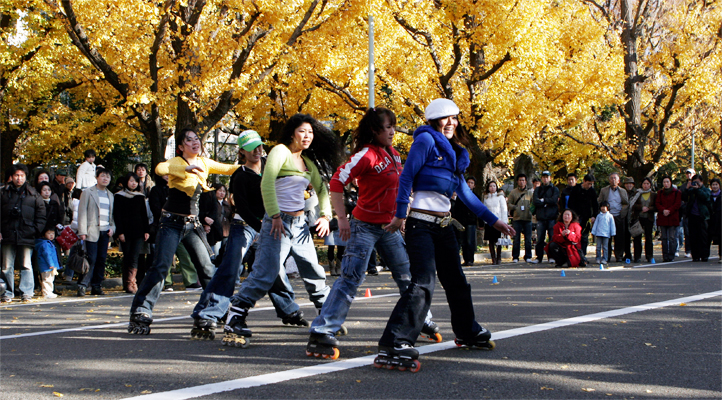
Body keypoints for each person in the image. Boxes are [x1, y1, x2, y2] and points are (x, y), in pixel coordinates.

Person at [374, 99, 515, 369]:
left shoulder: (453, 154)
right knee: (423, 282)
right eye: (445, 118)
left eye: (454, 118)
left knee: (457, 281)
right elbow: (407, 177)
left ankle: (467, 330)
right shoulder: (425, 141)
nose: (451, 123)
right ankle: (395, 340)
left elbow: (467, 195)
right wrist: (401, 213)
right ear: (434, 120)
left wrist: (495, 221)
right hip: (420, 224)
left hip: (443, 225)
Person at [307, 108, 440, 359]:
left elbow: (400, 189)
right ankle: (322, 330)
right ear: (374, 131)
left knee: (407, 276)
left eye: (393, 126)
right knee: (350, 278)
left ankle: (420, 319)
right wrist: (342, 219)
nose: (391, 131)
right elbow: (336, 181)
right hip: (363, 226)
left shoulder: (395, 156)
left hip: (389, 228)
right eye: (386, 127)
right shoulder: (366, 155)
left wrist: (400, 216)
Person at [220, 114, 343, 346]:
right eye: (302, 131)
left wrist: (326, 216)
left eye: (311, 132)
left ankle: (328, 316)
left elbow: (322, 189)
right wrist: (274, 215)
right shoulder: (280, 152)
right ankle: (235, 317)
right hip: (278, 224)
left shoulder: (307, 162)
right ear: (291, 133)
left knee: (313, 271)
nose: (307, 136)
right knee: (265, 273)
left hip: (300, 226)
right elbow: (267, 182)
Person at [190, 130, 302, 340]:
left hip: (269, 224)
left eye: (259, 147)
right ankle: (207, 313)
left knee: (273, 267)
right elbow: (242, 206)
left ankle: (288, 309)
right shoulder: (240, 176)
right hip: (245, 225)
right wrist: (261, 229)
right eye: (252, 149)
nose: (257, 152)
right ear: (242, 151)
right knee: (232, 267)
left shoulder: (272, 168)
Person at [127, 128, 239, 334]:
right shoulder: (176, 162)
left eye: (196, 139)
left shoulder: (205, 162)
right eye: (189, 140)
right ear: (180, 147)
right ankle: (141, 310)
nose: (195, 142)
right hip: (170, 223)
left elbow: (230, 168)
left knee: (206, 268)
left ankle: (213, 309)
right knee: (161, 267)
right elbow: (160, 169)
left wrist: (255, 163)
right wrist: (183, 171)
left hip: (193, 225)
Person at [0, 164, 46, 302]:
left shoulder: (33, 194)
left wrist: (35, 230)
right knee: (6, 266)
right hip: (7, 233)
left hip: (27, 234)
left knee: (26, 265)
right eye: (16, 175)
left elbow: (42, 215)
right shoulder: (3, 193)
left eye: (21, 175)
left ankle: (26, 292)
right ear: (12, 177)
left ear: (26, 177)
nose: (19, 178)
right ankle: (7, 292)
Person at [76, 167, 116, 296]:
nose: (105, 179)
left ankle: (96, 286)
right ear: (97, 177)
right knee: (91, 258)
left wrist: (112, 228)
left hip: (105, 231)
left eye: (107, 177)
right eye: (102, 176)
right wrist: (82, 231)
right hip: (91, 231)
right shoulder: (88, 192)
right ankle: (82, 284)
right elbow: (82, 212)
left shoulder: (110, 195)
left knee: (101, 259)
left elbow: (112, 216)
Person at [113, 172, 150, 294]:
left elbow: (144, 215)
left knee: (136, 256)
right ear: (126, 182)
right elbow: (117, 215)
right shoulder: (118, 196)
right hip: (125, 231)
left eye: (136, 181)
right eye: (131, 181)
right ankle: (128, 282)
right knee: (127, 256)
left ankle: (132, 283)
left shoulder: (140, 196)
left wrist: (146, 230)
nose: (133, 183)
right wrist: (120, 232)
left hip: (138, 231)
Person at [597, 172, 629, 262]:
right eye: (611, 178)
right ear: (609, 180)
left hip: (619, 215)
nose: (613, 180)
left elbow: (626, 203)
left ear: (618, 180)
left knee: (619, 237)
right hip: (607, 216)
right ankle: (607, 256)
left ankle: (619, 255)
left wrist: (622, 212)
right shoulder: (604, 190)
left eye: (615, 178)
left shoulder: (622, 191)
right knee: (607, 237)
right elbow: (599, 201)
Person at [531, 171, 559, 264]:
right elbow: (535, 201)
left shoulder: (554, 189)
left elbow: (554, 200)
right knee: (540, 239)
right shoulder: (538, 189)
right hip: (541, 217)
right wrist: (546, 202)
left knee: (552, 238)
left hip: (551, 217)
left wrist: (543, 200)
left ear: (550, 178)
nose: (545, 179)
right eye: (543, 177)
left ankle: (551, 256)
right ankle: (539, 257)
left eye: (547, 177)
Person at [567, 174, 599, 256]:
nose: (590, 185)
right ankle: (574, 254)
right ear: (584, 181)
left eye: (591, 184)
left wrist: (594, 216)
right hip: (576, 216)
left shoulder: (592, 191)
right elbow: (571, 203)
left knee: (584, 237)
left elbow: (595, 205)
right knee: (575, 236)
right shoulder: (576, 189)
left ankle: (583, 255)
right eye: (588, 183)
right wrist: (574, 215)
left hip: (586, 217)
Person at [683, 174, 712, 262]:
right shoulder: (691, 191)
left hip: (702, 216)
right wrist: (687, 188)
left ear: (702, 182)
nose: (696, 183)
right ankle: (695, 256)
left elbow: (706, 197)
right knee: (693, 236)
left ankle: (704, 255)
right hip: (692, 216)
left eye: (698, 182)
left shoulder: (705, 190)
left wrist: (698, 189)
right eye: (694, 181)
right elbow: (683, 197)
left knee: (703, 237)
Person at [454, 176, 481, 266]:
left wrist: (480, 223)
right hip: (461, 221)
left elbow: (480, 210)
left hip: (471, 222)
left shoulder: (476, 196)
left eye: (472, 183)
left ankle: (470, 259)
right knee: (463, 241)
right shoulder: (460, 196)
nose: (469, 184)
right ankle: (466, 259)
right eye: (468, 182)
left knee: (470, 241)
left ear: (474, 186)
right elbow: (456, 209)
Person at [507, 174, 534, 263]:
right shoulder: (513, 192)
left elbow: (533, 204)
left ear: (526, 181)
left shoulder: (530, 192)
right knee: (516, 238)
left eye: (523, 180)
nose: (521, 182)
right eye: (520, 180)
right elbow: (509, 204)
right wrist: (515, 207)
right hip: (517, 218)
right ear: (517, 181)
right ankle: (515, 256)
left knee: (528, 239)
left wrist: (531, 211)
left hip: (527, 218)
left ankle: (528, 256)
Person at [629, 177, 656, 263]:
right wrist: (641, 207)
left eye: (648, 184)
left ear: (650, 185)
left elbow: (656, 206)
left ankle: (649, 256)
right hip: (638, 218)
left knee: (648, 238)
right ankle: (637, 256)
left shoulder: (653, 194)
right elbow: (633, 205)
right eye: (644, 183)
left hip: (648, 218)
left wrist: (649, 208)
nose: (646, 185)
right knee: (637, 238)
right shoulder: (637, 193)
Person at [655, 176, 682, 262]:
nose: (666, 184)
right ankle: (665, 255)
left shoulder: (677, 192)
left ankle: (671, 255)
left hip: (672, 217)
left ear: (671, 183)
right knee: (664, 237)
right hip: (663, 217)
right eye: (664, 182)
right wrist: (663, 210)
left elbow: (677, 204)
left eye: (667, 182)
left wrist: (669, 210)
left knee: (671, 237)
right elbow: (657, 203)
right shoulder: (660, 193)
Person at [483, 180, 507, 265]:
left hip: (498, 221)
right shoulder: (486, 198)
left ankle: (499, 257)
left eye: (494, 186)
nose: (492, 188)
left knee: (498, 240)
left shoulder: (500, 197)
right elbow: (484, 210)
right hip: (489, 222)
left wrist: (504, 222)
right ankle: (493, 257)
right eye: (490, 186)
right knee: (491, 241)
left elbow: (504, 210)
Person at [35, 228, 60, 298]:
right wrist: (51, 264)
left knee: (50, 279)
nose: (51, 235)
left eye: (53, 233)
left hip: (48, 265)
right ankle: (47, 293)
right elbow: (47, 255)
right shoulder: (45, 244)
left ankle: (49, 292)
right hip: (47, 266)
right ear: (44, 235)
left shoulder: (49, 243)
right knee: (47, 279)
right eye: (49, 233)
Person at [680, 168, 695, 258]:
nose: (689, 175)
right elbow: (681, 198)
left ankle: (696, 249)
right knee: (687, 232)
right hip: (686, 212)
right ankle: (688, 250)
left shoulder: (697, 185)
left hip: (696, 211)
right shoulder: (683, 186)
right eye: (687, 173)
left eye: (690, 173)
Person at [709, 178, 721, 260]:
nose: (715, 186)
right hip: (710, 218)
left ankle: (721, 255)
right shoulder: (708, 195)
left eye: (716, 184)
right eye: (713, 184)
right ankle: (705, 255)